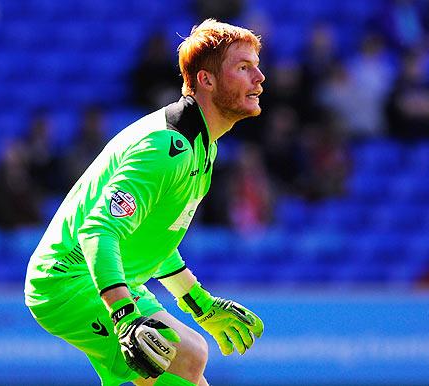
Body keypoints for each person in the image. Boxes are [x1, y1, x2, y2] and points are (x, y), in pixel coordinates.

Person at [24, 19, 265, 386]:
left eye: (256, 66)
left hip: (107, 276)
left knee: (185, 367)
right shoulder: (166, 150)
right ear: (207, 80)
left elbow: (150, 238)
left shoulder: (202, 147)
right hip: (68, 280)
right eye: (244, 68)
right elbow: (98, 230)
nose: (260, 77)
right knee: (187, 356)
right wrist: (124, 316)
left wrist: (198, 302)